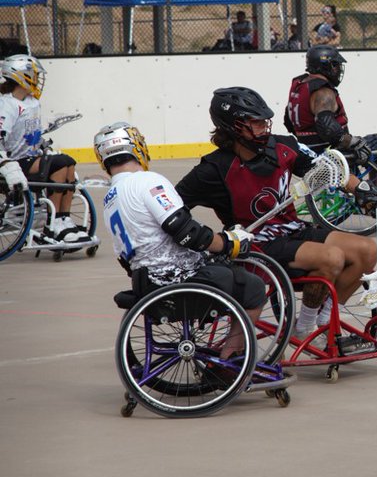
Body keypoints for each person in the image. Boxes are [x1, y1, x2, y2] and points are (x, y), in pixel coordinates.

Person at [176, 87, 377, 352]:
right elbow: (173, 205)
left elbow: (326, 169)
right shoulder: (214, 168)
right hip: (256, 245)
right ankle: (303, 330)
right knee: (331, 257)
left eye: (265, 121)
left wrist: (362, 188)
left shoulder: (283, 146)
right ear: (233, 127)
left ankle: (322, 326)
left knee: (367, 251)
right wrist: (207, 239)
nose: (264, 128)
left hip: (292, 230)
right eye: (256, 123)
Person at [94, 121, 263, 359]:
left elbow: (124, 255)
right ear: (137, 146)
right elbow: (185, 232)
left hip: (147, 283)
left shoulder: (110, 199)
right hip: (178, 283)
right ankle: (230, 357)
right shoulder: (147, 181)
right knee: (253, 287)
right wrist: (228, 242)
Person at [285, 45, 377, 210]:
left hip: (307, 150)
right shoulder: (323, 92)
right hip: (329, 153)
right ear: (327, 65)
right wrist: (354, 142)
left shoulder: (299, 85)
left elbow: (288, 121)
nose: (338, 69)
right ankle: (376, 199)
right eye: (336, 65)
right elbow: (328, 129)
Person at [0, 54, 89, 245]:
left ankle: (63, 219)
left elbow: (31, 134)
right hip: (14, 162)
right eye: (34, 75)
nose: (38, 80)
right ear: (20, 76)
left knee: (68, 162)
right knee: (59, 164)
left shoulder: (32, 102)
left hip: (31, 157)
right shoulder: (6, 105)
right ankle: (52, 224)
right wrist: (6, 165)